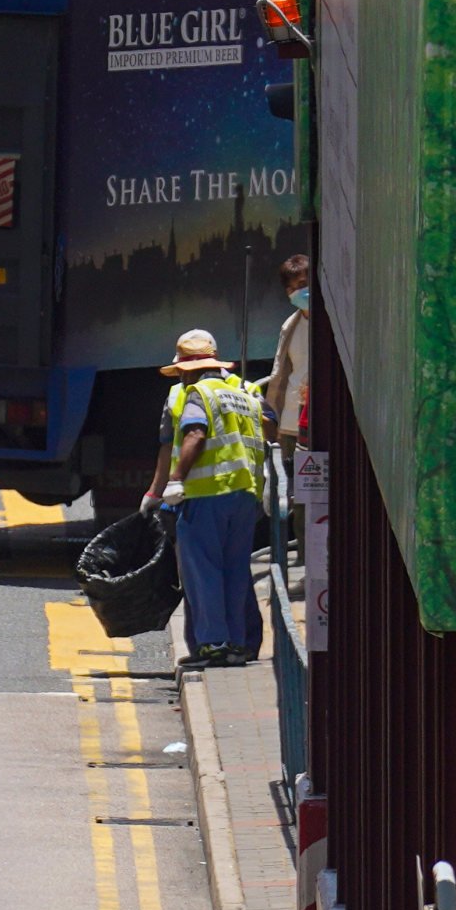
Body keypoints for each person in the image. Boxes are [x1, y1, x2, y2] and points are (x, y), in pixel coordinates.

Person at [154, 328, 269, 670]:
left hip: (206, 494)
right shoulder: (244, 394)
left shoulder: (197, 394)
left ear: (188, 369)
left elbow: (195, 433)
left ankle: (213, 644)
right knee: (235, 571)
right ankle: (235, 643)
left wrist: (175, 481)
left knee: (202, 572)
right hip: (246, 494)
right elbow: (270, 427)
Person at [267, 250, 314, 457]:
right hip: (290, 422)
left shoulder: (333, 324)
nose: (301, 292)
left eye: (305, 284)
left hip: (319, 420)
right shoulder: (290, 326)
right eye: (295, 288)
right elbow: (281, 374)